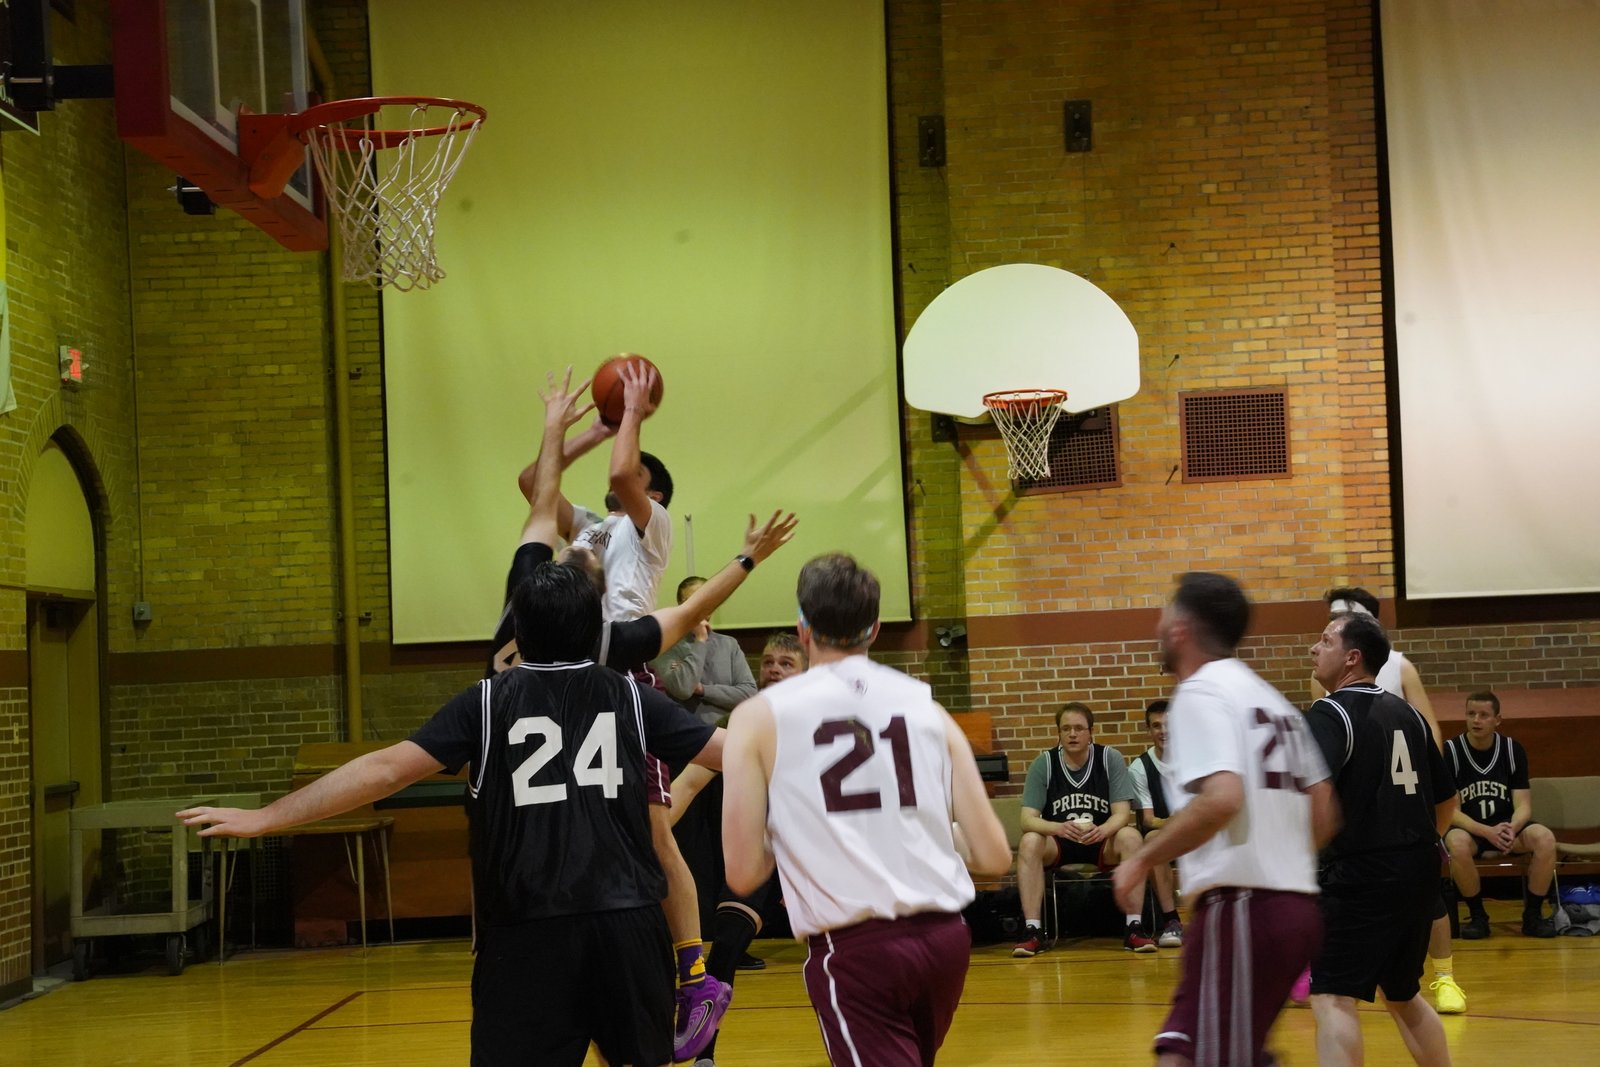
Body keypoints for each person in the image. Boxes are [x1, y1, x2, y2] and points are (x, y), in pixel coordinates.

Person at [177, 562, 725, 1067]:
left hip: (525, 931)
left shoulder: (485, 702)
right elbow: (735, 753)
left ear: (520, 631)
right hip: (626, 924)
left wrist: (267, 816)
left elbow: (384, 770)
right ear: (593, 630)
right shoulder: (632, 696)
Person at [496, 368, 795, 1062]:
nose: (616, 478)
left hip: (620, 670)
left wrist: (630, 412)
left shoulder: (648, 525)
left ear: (650, 493)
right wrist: (583, 431)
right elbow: (529, 485)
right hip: (568, 674)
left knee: (656, 831)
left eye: (627, 475)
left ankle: (694, 977)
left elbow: (626, 469)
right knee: (606, 828)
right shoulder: (592, 530)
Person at [721, 554, 1011, 1067]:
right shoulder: (928, 706)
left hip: (858, 951)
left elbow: (743, 873)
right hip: (946, 941)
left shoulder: (758, 716)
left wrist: (794, 824)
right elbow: (992, 855)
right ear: (875, 627)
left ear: (802, 627)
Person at [1114, 571, 1337, 1067]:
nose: (1158, 622)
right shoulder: (1274, 701)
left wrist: (1140, 860)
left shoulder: (1200, 693)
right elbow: (1323, 804)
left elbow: (1222, 799)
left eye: (1164, 611)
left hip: (1244, 908)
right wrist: (1281, 861)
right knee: (1191, 1050)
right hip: (1292, 908)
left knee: (1195, 1055)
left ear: (1180, 628)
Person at [1305, 611, 1456, 1067]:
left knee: (1332, 996)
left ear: (1352, 658)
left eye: (1326, 640)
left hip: (1361, 873)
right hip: (1420, 866)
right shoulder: (1407, 712)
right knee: (1403, 994)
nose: (1315, 648)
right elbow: (1448, 801)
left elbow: (1321, 803)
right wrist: (1415, 843)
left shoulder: (1329, 712)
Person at [681, 631, 810, 1067]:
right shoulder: (740, 721)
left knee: (845, 951)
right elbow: (692, 779)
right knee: (728, 944)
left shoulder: (824, 722)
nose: (773, 669)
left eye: (786, 663)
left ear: (806, 672)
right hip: (761, 856)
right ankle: (704, 1054)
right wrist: (652, 825)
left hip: (814, 858)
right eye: (768, 662)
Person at [1011, 702, 1152, 957]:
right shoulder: (1044, 763)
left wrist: (1104, 829)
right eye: (1066, 729)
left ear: (1090, 732)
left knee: (1131, 835)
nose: (1072, 734)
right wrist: (1058, 827)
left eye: (1078, 728)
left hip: (1101, 840)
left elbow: (1122, 813)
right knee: (1030, 840)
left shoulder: (1110, 758)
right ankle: (1032, 930)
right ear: (1059, 733)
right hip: (1060, 843)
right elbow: (1027, 820)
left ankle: (1134, 926)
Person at [1443, 691, 1560, 938]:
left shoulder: (1512, 749)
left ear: (1498, 719)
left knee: (1545, 838)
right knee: (1455, 842)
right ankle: (1478, 916)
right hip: (1473, 832)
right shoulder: (1451, 751)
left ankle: (1533, 916)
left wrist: (1511, 828)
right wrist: (1487, 832)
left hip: (1507, 831)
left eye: (1484, 715)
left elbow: (1524, 805)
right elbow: (1451, 812)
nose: (1476, 720)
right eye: (1471, 714)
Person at [651, 576, 758, 725]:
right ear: (681, 605)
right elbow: (683, 688)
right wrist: (700, 639)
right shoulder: (665, 644)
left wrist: (703, 690)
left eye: (708, 598)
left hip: (727, 733)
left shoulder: (729, 644)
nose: (702, 605)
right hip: (685, 735)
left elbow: (749, 694)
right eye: (694, 600)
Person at [1126, 698, 1184, 948]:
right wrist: (1177, 822)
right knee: (1151, 840)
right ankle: (1171, 921)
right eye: (1157, 726)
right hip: (1167, 835)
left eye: (1169, 725)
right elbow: (1148, 820)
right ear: (1149, 730)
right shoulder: (1140, 768)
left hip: (1198, 832)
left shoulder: (1196, 759)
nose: (1164, 731)